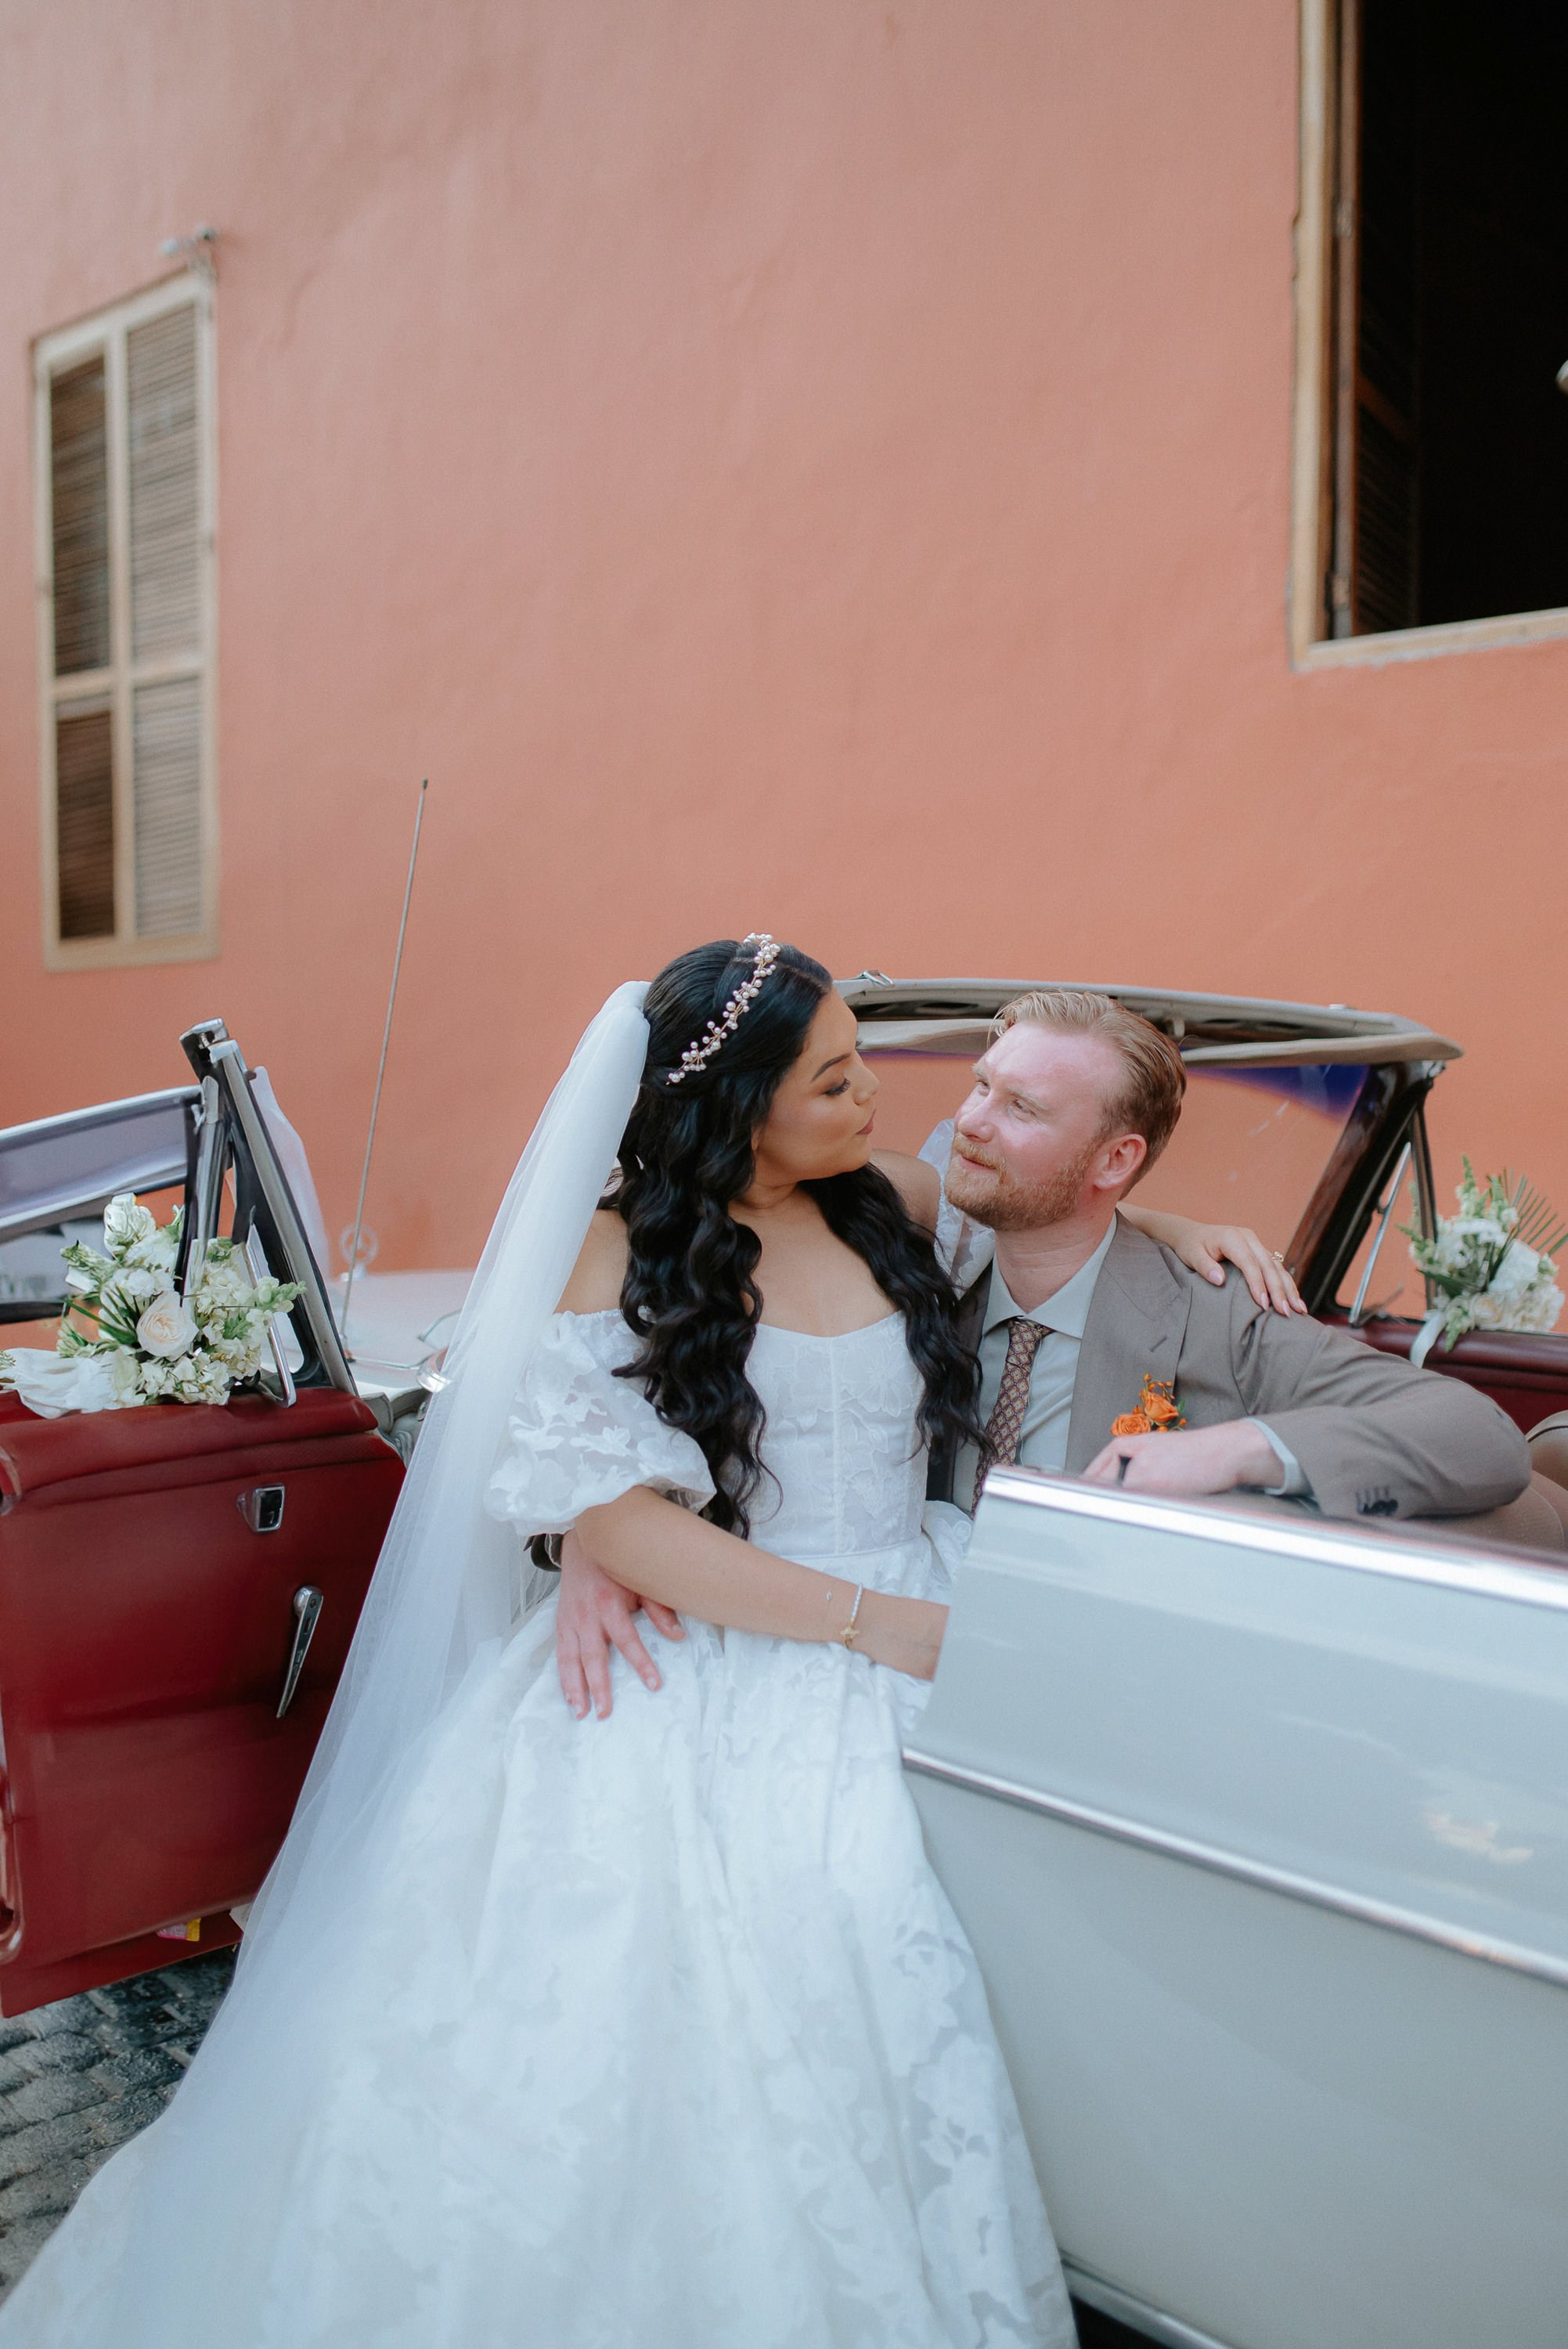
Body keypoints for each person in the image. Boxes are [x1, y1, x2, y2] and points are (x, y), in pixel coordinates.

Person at [5, 938, 1081, 2349]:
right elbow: (618, 1525)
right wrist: (880, 1628)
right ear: (736, 1106)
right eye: (833, 1078)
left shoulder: (892, 1199)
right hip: (717, 1645)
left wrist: (1183, 1236)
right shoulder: (610, 1251)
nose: (872, 1098)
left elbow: (1053, 1218)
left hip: (915, 1591)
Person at [919, 988, 1531, 1521]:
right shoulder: (910, 1272)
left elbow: (1482, 1435)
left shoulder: (1219, 1315)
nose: (969, 1121)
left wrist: (1233, 1450)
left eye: (1021, 1106)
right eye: (980, 1084)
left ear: (1115, 1161)